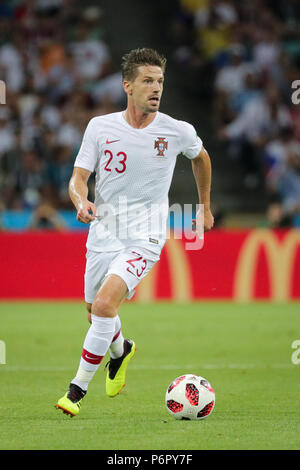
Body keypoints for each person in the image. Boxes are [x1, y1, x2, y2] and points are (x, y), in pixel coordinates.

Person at [56, 48, 214, 417]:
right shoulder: (100, 127)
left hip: (145, 236)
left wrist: (204, 206)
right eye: (147, 81)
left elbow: (201, 158)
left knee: (105, 305)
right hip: (103, 232)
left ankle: (75, 391)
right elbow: (78, 179)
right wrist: (81, 202)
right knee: (95, 312)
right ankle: (120, 350)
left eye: (159, 81)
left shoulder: (176, 131)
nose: (155, 88)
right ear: (127, 85)